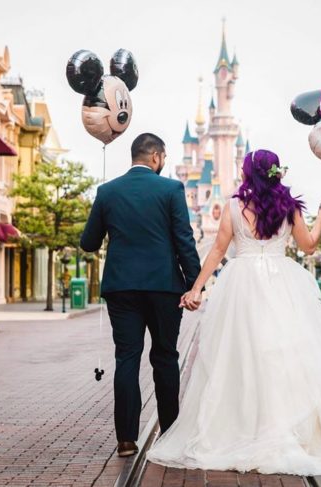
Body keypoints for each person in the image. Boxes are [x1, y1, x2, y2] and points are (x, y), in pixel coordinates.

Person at [146, 149, 321, 475]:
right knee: (284, 354)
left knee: (240, 356)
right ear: (276, 172)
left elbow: (218, 251)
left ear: (249, 172)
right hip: (282, 283)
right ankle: (284, 426)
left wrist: (196, 288)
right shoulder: (289, 207)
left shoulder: (234, 207)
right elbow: (308, 246)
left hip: (241, 284)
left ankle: (244, 426)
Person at [80, 133, 201, 458]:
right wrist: (195, 284)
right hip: (164, 287)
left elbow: (89, 242)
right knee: (165, 357)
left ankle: (126, 440)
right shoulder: (171, 189)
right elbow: (184, 240)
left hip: (122, 287)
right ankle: (171, 432)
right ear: (157, 157)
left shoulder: (107, 192)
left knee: (127, 358)